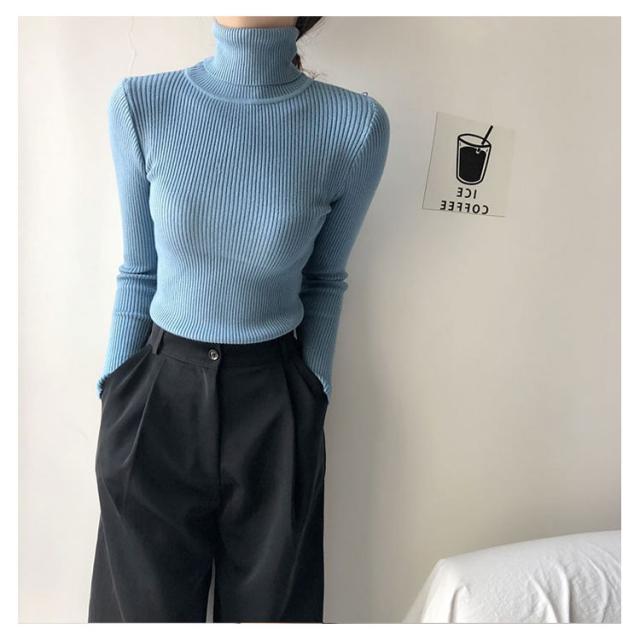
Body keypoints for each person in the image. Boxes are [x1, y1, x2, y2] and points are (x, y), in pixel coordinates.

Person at [88, 15, 390, 623]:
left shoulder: (354, 125)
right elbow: (138, 271)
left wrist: (313, 390)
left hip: (274, 402)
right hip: (156, 398)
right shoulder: (141, 105)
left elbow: (326, 279)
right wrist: (115, 389)